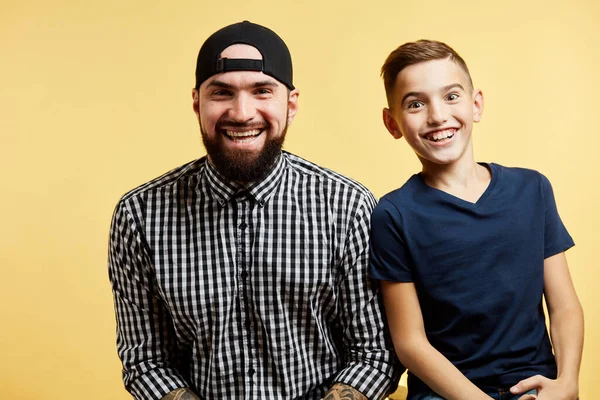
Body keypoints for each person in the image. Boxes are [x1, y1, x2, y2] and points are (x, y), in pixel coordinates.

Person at [108, 21, 400, 400]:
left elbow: (373, 355)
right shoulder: (140, 216)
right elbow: (146, 360)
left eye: (262, 91)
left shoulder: (346, 206)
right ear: (197, 102)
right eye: (222, 93)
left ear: (290, 104)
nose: (242, 113)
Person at [369, 39, 583, 400]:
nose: (437, 116)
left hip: (536, 387)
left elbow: (564, 307)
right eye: (416, 104)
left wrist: (567, 382)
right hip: (446, 394)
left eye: (451, 96)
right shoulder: (393, 214)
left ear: (476, 103)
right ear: (393, 123)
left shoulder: (532, 189)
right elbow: (410, 342)